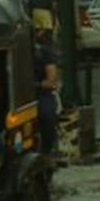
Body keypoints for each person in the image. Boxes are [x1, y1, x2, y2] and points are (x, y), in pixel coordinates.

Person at [34, 28, 61, 156]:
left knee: (46, 115)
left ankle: (47, 151)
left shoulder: (43, 52)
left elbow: (51, 81)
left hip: (41, 93)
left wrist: (37, 85)